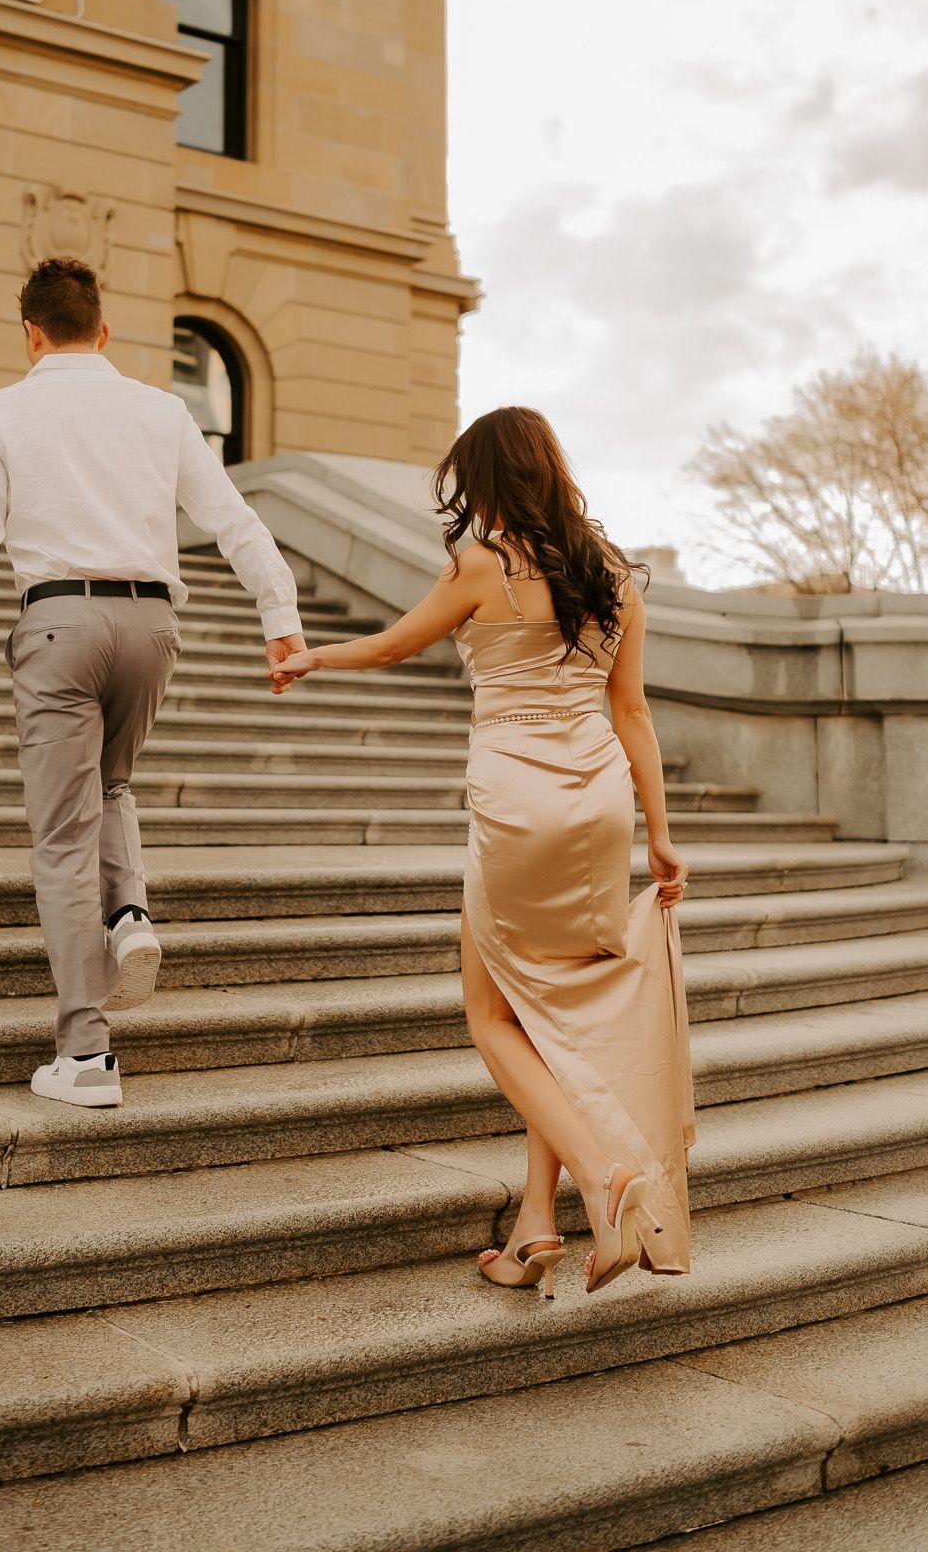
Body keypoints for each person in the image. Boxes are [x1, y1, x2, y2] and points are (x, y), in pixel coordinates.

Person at [274, 406, 695, 1293]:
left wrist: (313, 659)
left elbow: (395, 645)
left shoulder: (482, 565)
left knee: (492, 1016)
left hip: (515, 808)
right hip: (599, 809)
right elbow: (634, 715)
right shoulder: (614, 578)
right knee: (549, 1014)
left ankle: (601, 1175)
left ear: (491, 481)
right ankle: (531, 1233)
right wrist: (658, 835)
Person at [0, 258, 305, 1108]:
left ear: (30, 334)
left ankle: (86, 1055)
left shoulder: (1, 412)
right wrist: (278, 615)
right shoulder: (161, 409)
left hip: (59, 621)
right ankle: (128, 916)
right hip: (152, 627)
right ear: (101, 332)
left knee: (61, 836)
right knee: (112, 781)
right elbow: (231, 518)